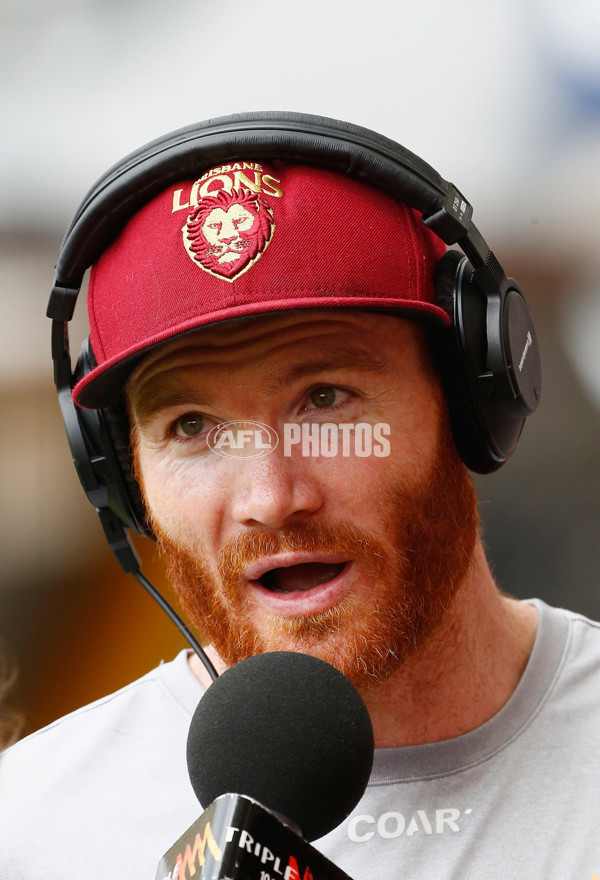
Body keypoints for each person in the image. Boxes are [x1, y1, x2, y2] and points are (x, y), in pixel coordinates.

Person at [1, 114, 599, 879]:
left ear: (473, 398)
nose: (270, 496)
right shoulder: (30, 832)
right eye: (192, 426)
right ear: (120, 477)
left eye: (325, 398)